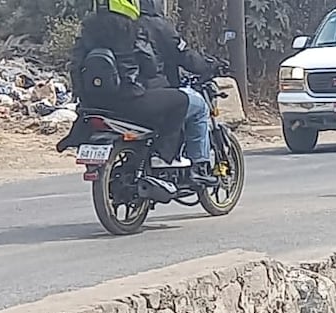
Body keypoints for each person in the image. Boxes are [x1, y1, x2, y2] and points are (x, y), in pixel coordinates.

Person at [61, 0, 189, 165]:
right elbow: (149, 67)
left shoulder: (87, 30)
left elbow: (75, 67)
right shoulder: (132, 28)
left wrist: (82, 96)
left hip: (91, 105)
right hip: (127, 101)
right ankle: (164, 156)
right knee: (181, 100)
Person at [138, 0, 220, 186]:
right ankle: (199, 167)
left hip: (112, 98)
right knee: (198, 107)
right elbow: (184, 55)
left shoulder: (109, 26)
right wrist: (207, 65)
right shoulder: (157, 25)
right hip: (151, 91)